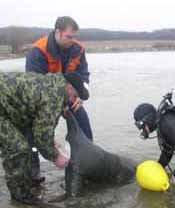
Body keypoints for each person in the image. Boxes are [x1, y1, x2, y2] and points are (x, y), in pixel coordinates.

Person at [0, 71, 89, 205]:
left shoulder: (53, 82)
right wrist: (56, 157)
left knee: (22, 144)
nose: (72, 101)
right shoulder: (54, 97)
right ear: (69, 87)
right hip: (3, 110)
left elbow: (36, 120)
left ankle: (24, 182)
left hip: (7, 108)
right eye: (74, 96)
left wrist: (50, 140)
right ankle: (20, 197)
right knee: (18, 149)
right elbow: (42, 138)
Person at [25, 16, 92, 185]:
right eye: (69, 36)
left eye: (75, 36)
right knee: (34, 132)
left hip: (69, 96)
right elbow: (33, 88)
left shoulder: (78, 49)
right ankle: (33, 169)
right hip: (43, 100)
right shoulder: (38, 51)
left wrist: (79, 97)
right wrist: (53, 110)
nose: (73, 40)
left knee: (83, 121)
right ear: (57, 32)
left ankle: (88, 160)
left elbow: (84, 76)